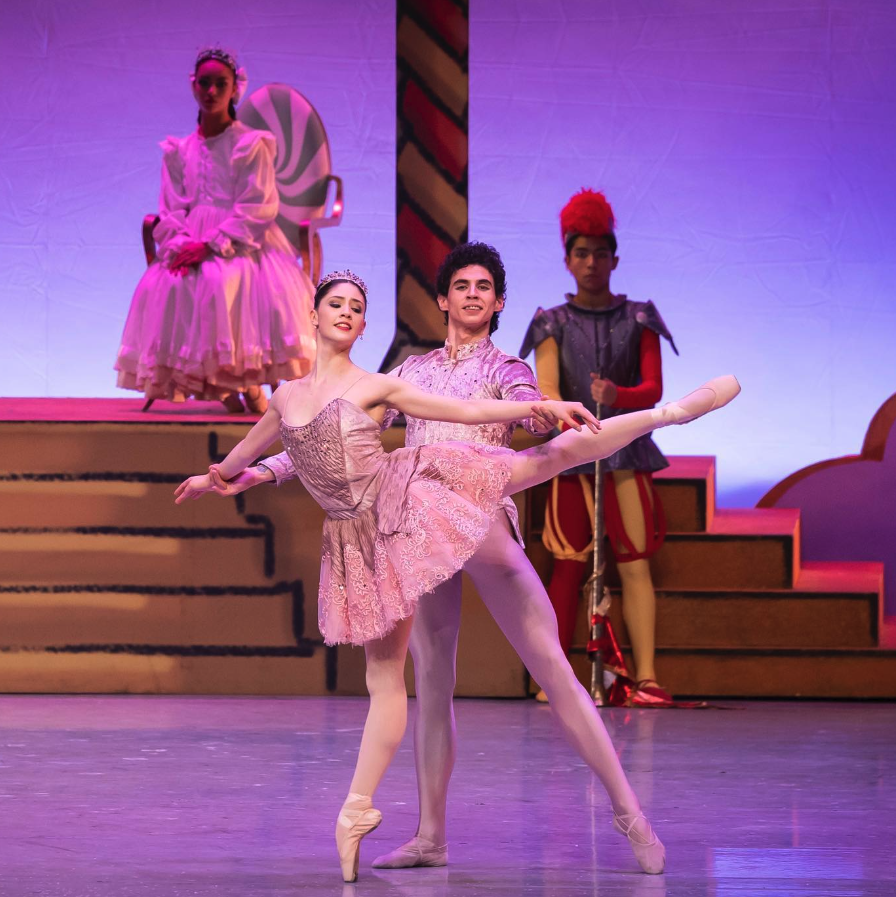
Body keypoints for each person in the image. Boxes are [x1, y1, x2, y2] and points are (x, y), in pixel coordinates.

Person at [174, 268, 740, 882]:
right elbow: (329, 430)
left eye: (484, 287)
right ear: (442, 298)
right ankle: (430, 836)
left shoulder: (506, 368)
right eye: (461, 285)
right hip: (416, 526)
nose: (472, 295)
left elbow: (512, 414)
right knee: (430, 684)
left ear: (498, 302)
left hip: (477, 517)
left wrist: (542, 409)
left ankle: (631, 815)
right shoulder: (407, 373)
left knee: (552, 665)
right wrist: (259, 472)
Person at [210, 242, 554, 870]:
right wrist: (225, 477)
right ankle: (367, 816)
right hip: (350, 542)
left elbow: (471, 408)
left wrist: (536, 405)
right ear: (314, 316)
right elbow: (259, 447)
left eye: (357, 307)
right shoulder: (288, 396)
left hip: (403, 515)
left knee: (404, 677)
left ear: (365, 325)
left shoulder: (383, 384)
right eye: (335, 303)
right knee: (387, 680)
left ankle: (358, 806)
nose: (346, 312)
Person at [520, 189, 678, 706]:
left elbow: (652, 391)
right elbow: (544, 393)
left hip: (628, 456)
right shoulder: (550, 323)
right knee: (567, 564)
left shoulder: (640, 318)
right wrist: (572, 414)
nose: (591, 263)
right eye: (581, 253)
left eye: (600, 253)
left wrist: (619, 397)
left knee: (634, 564)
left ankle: (647, 675)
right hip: (572, 457)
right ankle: (556, 677)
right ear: (567, 259)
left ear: (615, 257)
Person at [115, 46, 316, 414]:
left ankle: (246, 382)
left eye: (219, 84)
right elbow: (171, 205)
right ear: (194, 87)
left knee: (221, 283)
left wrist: (212, 245)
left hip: (243, 242)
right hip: (190, 236)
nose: (211, 92)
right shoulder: (180, 150)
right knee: (171, 284)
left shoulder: (250, 144)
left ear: (234, 88)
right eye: (204, 83)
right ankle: (218, 385)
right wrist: (181, 243)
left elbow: (257, 204)